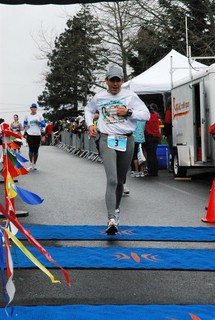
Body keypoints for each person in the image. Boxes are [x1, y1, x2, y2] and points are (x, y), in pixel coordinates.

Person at [85, 65, 150, 235]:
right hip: (107, 139)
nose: (115, 83)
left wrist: (128, 112)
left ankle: (116, 210)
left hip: (127, 140)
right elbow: (88, 109)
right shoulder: (99, 97)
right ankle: (111, 218)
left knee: (121, 181)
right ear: (106, 81)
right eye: (112, 80)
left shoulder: (130, 96)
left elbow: (146, 114)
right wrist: (90, 125)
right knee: (112, 180)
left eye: (118, 80)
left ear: (122, 81)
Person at [23, 103, 46, 171]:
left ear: (36, 108)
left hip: (37, 134)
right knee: (31, 149)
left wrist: (39, 122)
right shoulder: (27, 115)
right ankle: (30, 163)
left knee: (36, 150)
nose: (34, 109)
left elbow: (44, 124)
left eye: (35, 108)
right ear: (31, 108)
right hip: (30, 134)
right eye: (32, 108)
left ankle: (34, 163)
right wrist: (26, 126)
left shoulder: (39, 115)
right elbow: (24, 123)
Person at [144, 103, 161, 177]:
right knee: (154, 154)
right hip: (156, 136)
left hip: (149, 136)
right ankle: (155, 171)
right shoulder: (156, 115)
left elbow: (144, 127)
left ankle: (150, 171)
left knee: (150, 154)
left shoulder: (146, 116)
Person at [163, 96, 173, 171]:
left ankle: (172, 166)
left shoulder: (169, 111)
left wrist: (165, 133)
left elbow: (167, 123)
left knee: (172, 150)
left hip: (171, 133)